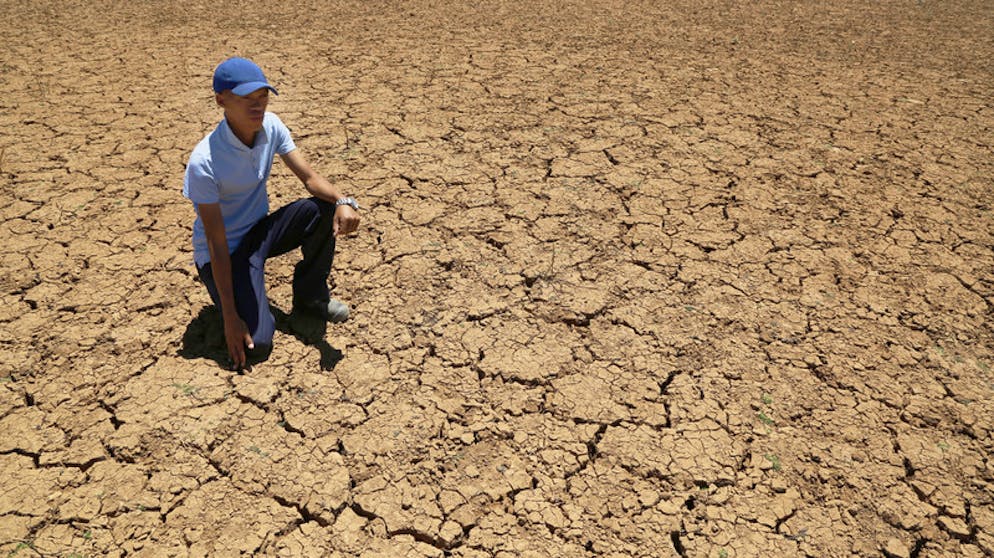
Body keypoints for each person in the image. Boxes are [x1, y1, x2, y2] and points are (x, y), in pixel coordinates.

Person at [183, 57, 360, 370]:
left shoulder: (271, 126)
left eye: (262, 97)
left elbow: (309, 178)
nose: (258, 107)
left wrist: (344, 200)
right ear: (221, 100)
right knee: (258, 345)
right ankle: (229, 306)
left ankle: (311, 302)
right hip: (222, 253)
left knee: (322, 209)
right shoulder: (204, 162)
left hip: (260, 233)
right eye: (246, 99)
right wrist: (229, 316)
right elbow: (216, 242)